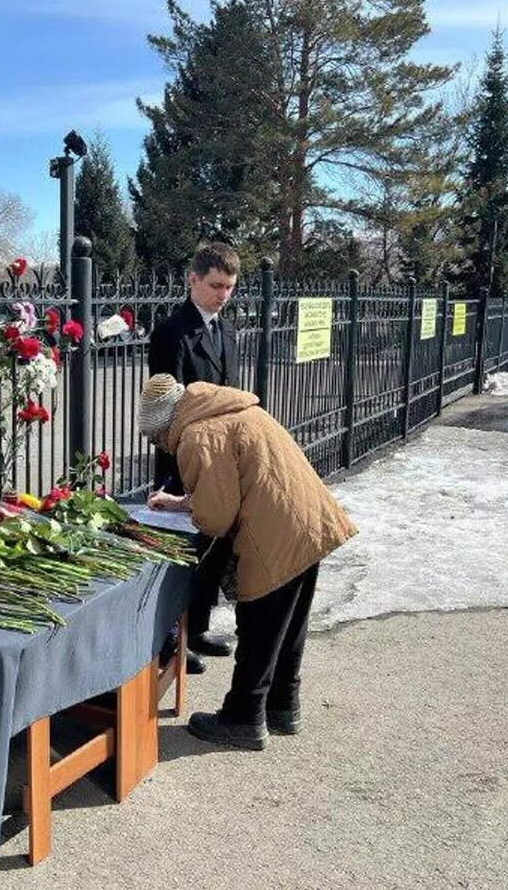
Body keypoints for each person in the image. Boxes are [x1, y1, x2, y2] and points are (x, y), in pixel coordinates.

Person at [138, 373, 357, 750]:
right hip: (308, 523)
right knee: (288, 625)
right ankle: (283, 706)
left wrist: (193, 514)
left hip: (274, 534)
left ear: (164, 425)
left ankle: (244, 716)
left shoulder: (195, 436)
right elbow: (233, 482)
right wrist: (180, 503)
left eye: (158, 439)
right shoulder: (228, 410)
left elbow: (218, 515)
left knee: (259, 626)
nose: (163, 446)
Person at [147, 242, 242, 671]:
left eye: (230, 287)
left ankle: (199, 628)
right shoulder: (171, 333)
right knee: (184, 551)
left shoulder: (227, 331)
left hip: (223, 460)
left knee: (215, 545)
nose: (223, 294)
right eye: (215, 285)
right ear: (193, 280)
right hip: (184, 458)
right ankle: (173, 640)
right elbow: (167, 406)